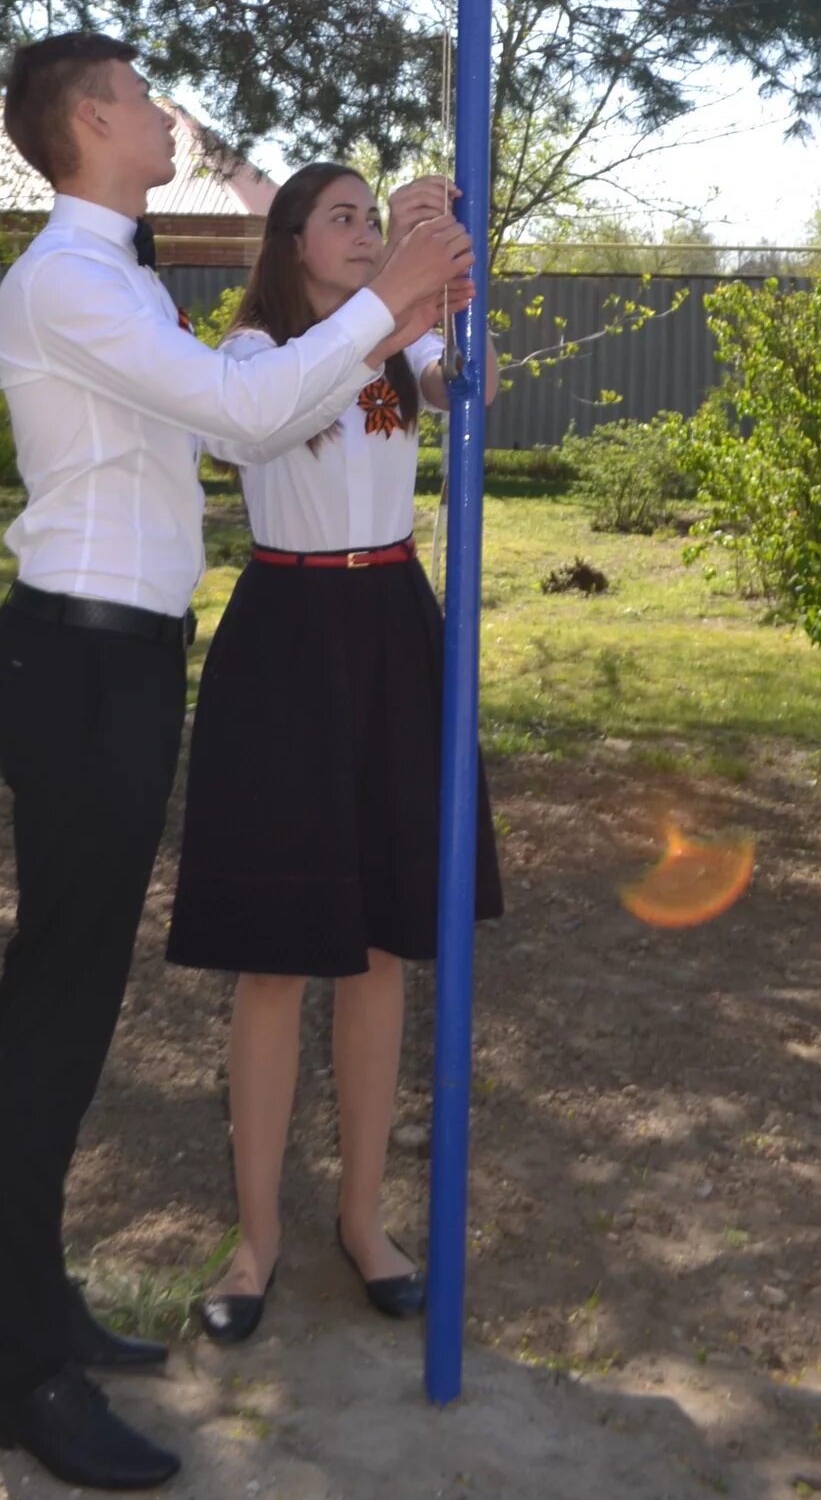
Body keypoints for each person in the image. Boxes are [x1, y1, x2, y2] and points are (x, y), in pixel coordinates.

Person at [0, 39, 471, 1493]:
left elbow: (283, 390)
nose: (169, 110)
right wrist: (395, 290)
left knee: (59, 998)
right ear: (94, 121)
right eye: (143, 91)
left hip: (117, 655)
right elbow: (250, 412)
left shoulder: (116, 273)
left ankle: (11, 1308)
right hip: (74, 655)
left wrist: (404, 301)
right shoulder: (67, 279)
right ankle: (26, 1382)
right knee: (53, 1013)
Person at [164, 162, 504, 1345]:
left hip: (391, 628)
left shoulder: (402, 343)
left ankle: (363, 1218)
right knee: (273, 959)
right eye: (346, 218)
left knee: (375, 946)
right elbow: (260, 425)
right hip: (288, 636)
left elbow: (471, 387)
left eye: (376, 217)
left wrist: (446, 267)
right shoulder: (252, 353)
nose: (365, 233)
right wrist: (393, 306)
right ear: (292, 241)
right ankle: (254, 1238)